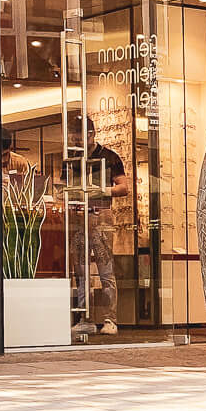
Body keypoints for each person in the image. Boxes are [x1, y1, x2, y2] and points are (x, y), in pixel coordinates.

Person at [73, 117, 129, 336]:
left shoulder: (109, 156)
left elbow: (124, 187)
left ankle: (110, 319)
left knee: (106, 270)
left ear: (92, 134)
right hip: (78, 217)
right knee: (81, 271)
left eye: (82, 136)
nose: (79, 140)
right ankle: (84, 317)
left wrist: (101, 191)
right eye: (75, 137)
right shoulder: (73, 159)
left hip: (102, 215)